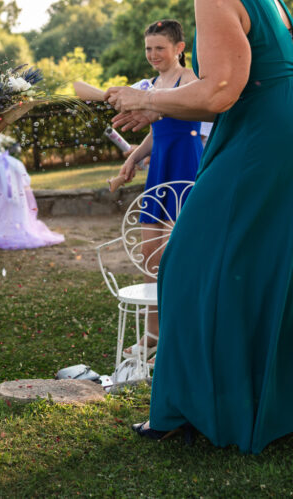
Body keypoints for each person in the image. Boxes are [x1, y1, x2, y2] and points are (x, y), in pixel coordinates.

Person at [105, 0, 293, 453]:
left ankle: (197, 406)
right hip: (290, 127)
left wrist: (150, 102)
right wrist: (159, 104)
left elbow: (219, 91)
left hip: (267, 136)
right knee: (277, 272)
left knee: (187, 259)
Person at [114, 19, 203, 356]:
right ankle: (153, 333)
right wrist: (133, 158)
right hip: (159, 167)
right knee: (150, 254)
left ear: (179, 48)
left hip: (186, 164)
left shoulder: (189, 79)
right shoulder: (151, 83)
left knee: (178, 253)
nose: (153, 54)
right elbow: (156, 132)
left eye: (160, 48)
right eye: (148, 48)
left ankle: (183, 330)